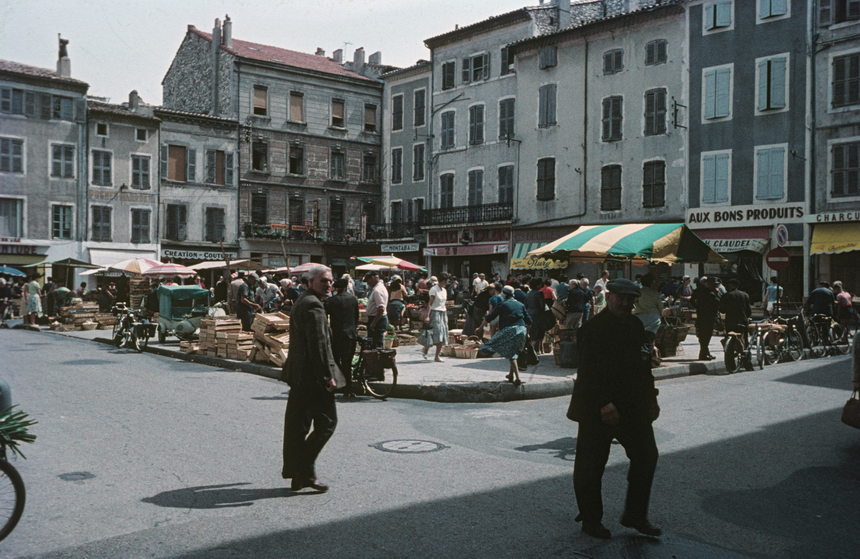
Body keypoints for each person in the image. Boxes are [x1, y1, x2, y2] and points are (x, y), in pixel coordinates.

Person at [568, 278, 661, 539]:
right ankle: (590, 519)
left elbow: (643, 367)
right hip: (597, 407)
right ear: (609, 297)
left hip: (632, 405)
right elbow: (588, 372)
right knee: (590, 465)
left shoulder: (635, 325)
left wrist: (652, 398)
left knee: (647, 456)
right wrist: (604, 403)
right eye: (621, 298)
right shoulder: (592, 329)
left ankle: (635, 515)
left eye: (630, 299)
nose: (625, 303)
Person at [281, 264, 338, 492]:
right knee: (327, 423)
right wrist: (327, 376)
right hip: (312, 377)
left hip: (300, 374)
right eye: (323, 281)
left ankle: (299, 474)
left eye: (330, 281)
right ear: (310, 282)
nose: (329, 285)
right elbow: (318, 344)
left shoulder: (303, 301)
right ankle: (302, 468)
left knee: (298, 426)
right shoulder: (313, 305)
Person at [476, 285, 532, 385]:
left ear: (504, 295)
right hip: (522, 330)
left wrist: (480, 328)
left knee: (497, 348)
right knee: (513, 352)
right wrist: (527, 334)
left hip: (510, 330)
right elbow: (529, 321)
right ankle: (511, 375)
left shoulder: (502, 304)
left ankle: (517, 378)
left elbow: (490, 317)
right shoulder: (520, 304)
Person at [325, 277, 359, 397]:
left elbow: (324, 318)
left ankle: (340, 384)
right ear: (345, 287)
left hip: (337, 335)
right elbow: (356, 317)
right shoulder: (353, 299)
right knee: (347, 362)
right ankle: (348, 388)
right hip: (350, 335)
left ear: (336, 288)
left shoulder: (331, 301)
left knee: (336, 361)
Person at [421, 273, 450, 362]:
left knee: (443, 334)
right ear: (443, 281)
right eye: (447, 280)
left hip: (443, 313)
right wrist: (427, 316)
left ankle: (436, 356)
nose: (448, 282)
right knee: (436, 333)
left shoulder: (444, 290)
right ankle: (426, 348)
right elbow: (430, 304)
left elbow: (443, 303)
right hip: (435, 313)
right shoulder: (434, 289)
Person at [692, 277, 720, 360]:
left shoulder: (699, 291)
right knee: (706, 335)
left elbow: (692, 300)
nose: (715, 286)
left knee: (703, 336)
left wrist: (697, 307)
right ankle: (703, 354)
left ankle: (705, 352)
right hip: (708, 317)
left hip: (702, 315)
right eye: (713, 285)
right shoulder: (710, 293)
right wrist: (717, 293)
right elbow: (717, 303)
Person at [364, 271, 389, 348]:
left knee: (376, 344)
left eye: (368, 280)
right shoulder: (378, 288)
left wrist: (374, 323)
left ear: (372, 278)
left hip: (377, 319)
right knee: (374, 342)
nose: (367, 283)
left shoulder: (378, 290)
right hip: (377, 318)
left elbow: (381, 308)